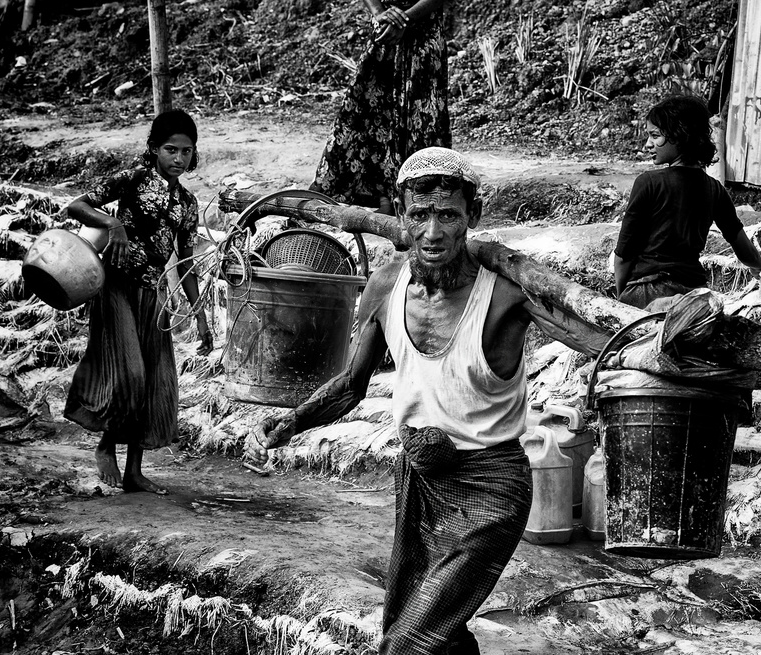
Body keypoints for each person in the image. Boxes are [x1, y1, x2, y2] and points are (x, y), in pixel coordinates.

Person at [247, 147, 599, 654]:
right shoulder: (387, 283)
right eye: (419, 215)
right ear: (401, 213)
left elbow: (597, 342)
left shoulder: (504, 296)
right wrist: (285, 426)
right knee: (435, 632)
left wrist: (662, 344)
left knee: (408, 644)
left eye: (448, 216)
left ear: (471, 218)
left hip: (491, 489)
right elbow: (351, 384)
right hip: (419, 482)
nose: (433, 232)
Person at [64, 109, 213, 495]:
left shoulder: (187, 202)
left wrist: (200, 318)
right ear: (153, 149)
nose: (178, 158)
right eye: (170, 149)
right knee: (130, 371)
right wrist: (112, 224)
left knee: (152, 382)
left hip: (154, 295)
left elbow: (185, 260)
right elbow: (77, 205)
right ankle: (104, 445)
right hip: (116, 287)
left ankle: (134, 471)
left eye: (186, 151)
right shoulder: (132, 179)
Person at [613, 94, 761, 311]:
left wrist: (621, 297)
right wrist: (760, 264)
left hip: (648, 290)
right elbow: (739, 242)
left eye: (655, 136)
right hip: (694, 292)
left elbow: (624, 254)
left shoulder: (648, 182)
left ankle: (662, 307)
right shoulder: (714, 189)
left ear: (680, 134)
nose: (648, 145)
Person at [309, 0, 452, 214]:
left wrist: (405, 19)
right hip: (385, 30)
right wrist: (379, 13)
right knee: (370, 110)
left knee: (419, 116)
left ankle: (415, 201)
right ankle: (385, 197)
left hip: (423, 30)